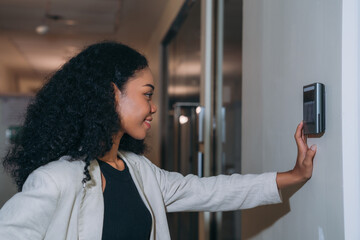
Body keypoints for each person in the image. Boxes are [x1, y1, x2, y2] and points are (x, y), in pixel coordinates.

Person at [0, 41, 316, 240]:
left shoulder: (139, 170)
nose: (154, 107)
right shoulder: (55, 179)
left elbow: (211, 191)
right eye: (147, 95)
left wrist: (294, 174)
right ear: (112, 94)